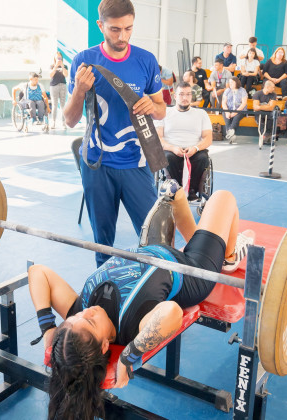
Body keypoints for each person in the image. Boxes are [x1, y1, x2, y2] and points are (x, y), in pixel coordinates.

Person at [30, 182, 255, 419]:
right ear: (106, 344)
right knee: (223, 198)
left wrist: (48, 326)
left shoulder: (80, 314)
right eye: (91, 322)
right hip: (190, 269)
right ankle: (227, 257)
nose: (88, 312)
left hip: (152, 249)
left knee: (175, 194)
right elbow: (171, 312)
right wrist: (130, 356)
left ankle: (208, 240)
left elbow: (39, 273)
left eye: (75, 317)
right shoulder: (131, 326)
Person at [64, 0, 166, 267]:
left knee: (155, 239)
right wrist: (78, 90)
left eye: (128, 28)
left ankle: (156, 294)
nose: (122, 36)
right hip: (97, 164)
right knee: (102, 244)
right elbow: (70, 120)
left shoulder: (145, 60)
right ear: (100, 26)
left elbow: (162, 109)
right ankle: (104, 293)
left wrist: (152, 106)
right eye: (114, 30)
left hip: (137, 161)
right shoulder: (83, 61)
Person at [156, 82, 212, 200]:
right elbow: (158, 138)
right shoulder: (165, 113)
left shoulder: (201, 114)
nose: (185, 98)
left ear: (192, 96)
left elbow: (208, 138)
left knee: (203, 158)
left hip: (194, 150)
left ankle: (192, 191)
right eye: (181, 94)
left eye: (188, 94)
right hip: (171, 150)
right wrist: (172, 148)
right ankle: (176, 191)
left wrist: (195, 148)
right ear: (175, 96)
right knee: (167, 158)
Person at [221, 77, 247, 144]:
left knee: (236, 116)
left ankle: (229, 131)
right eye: (229, 82)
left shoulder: (242, 90)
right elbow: (223, 102)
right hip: (229, 109)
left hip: (240, 110)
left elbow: (243, 103)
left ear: (236, 82)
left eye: (232, 82)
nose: (230, 84)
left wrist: (235, 112)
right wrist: (227, 112)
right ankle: (231, 133)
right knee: (225, 115)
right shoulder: (227, 90)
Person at [252, 80, 280, 144]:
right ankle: (265, 136)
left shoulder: (273, 94)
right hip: (259, 113)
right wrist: (267, 105)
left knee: (271, 118)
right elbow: (255, 108)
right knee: (260, 121)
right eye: (272, 87)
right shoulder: (257, 94)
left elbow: (271, 108)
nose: (274, 89)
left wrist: (260, 106)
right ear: (267, 87)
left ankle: (266, 136)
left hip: (269, 113)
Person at [49, 51, 68, 129]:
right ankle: (53, 122)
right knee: (54, 105)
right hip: (54, 86)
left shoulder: (65, 66)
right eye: (57, 57)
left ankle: (64, 123)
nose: (58, 59)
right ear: (54, 58)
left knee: (63, 105)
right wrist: (56, 66)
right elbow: (51, 75)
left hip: (62, 85)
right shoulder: (52, 66)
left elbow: (66, 75)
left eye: (60, 57)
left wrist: (62, 66)